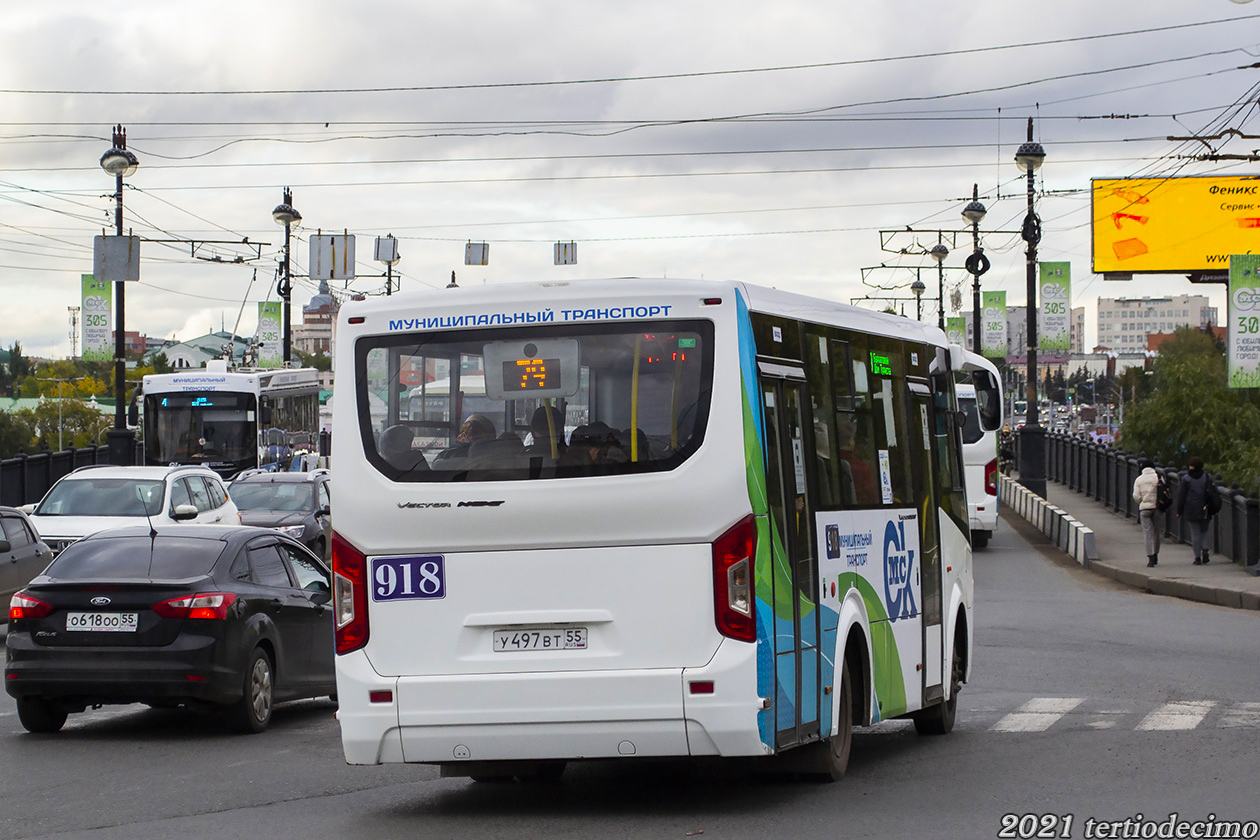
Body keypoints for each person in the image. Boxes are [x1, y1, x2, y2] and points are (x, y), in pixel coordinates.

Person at [1175, 455, 1216, 565]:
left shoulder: (1186, 479)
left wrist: (1179, 511)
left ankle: (1197, 557)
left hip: (1191, 509)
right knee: (1204, 530)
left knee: (1195, 533)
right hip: (1206, 508)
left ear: (1191, 466)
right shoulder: (1207, 477)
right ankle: (1205, 548)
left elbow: (1182, 497)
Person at [1131, 458, 1161, 567]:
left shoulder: (1139, 479)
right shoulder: (1158, 477)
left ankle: (1150, 558)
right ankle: (1156, 553)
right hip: (1157, 508)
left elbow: (1136, 496)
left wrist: (1141, 502)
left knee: (1147, 533)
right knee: (1156, 532)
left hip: (1144, 509)